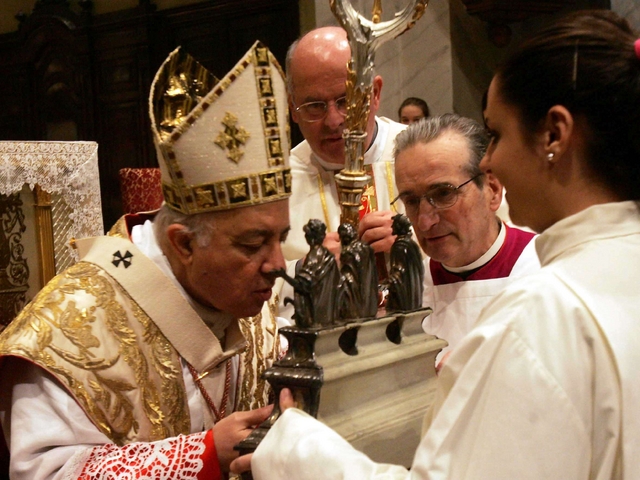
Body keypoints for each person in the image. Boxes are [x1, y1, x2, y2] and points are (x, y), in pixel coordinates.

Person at [232, 9, 640, 479]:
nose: (490, 162)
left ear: (554, 134)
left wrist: (294, 453)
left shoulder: (539, 316)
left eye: (497, 134)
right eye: (410, 200)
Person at [0, 41, 292, 479]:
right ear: (183, 244)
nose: (277, 264)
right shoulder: (67, 330)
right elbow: (43, 472)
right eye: (253, 244)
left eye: (280, 238)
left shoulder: (247, 289)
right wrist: (203, 455)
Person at [393, 113, 539, 361]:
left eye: (443, 194)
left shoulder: (543, 269)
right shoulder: (411, 288)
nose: (425, 221)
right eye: (411, 201)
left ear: (492, 190)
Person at [282, 26, 406, 261]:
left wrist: (409, 246)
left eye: (346, 101)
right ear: (293, 109)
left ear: (375, 94)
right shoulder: (279, 187)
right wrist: (309, 268)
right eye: (314, 106)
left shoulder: (429, 158)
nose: (333, 121)